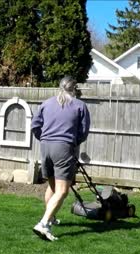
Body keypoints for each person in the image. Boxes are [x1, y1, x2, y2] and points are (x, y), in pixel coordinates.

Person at [31, 75, 91, 241]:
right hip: (63, 148)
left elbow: (35, 125)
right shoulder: (80, 105)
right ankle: (43, 224)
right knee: (63, 190)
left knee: (52, 187)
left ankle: (49, 218)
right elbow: (83, 132)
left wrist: (44, 138)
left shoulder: (46, 103)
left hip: (45, 147)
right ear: (74, 89)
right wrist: (72, 143)